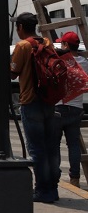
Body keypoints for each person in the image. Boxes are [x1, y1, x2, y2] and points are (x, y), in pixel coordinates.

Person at [10, 12, 61, 204]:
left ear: (21, 27)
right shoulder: (46, 43)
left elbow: (13, 73)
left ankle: (42, 190)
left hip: (30, 101)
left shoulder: (23, 46)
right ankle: (52, 188)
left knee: (37, 149)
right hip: (48, 100)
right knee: (50, 148)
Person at [55, 31, 88, 187]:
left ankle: (55, 176)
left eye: (62, 43)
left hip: (58, 107)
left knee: (54, 144)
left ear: (66, 45)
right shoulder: (85, 62)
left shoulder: (60, 61)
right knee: (73, 144)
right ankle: (75, 178)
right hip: (76, 108)